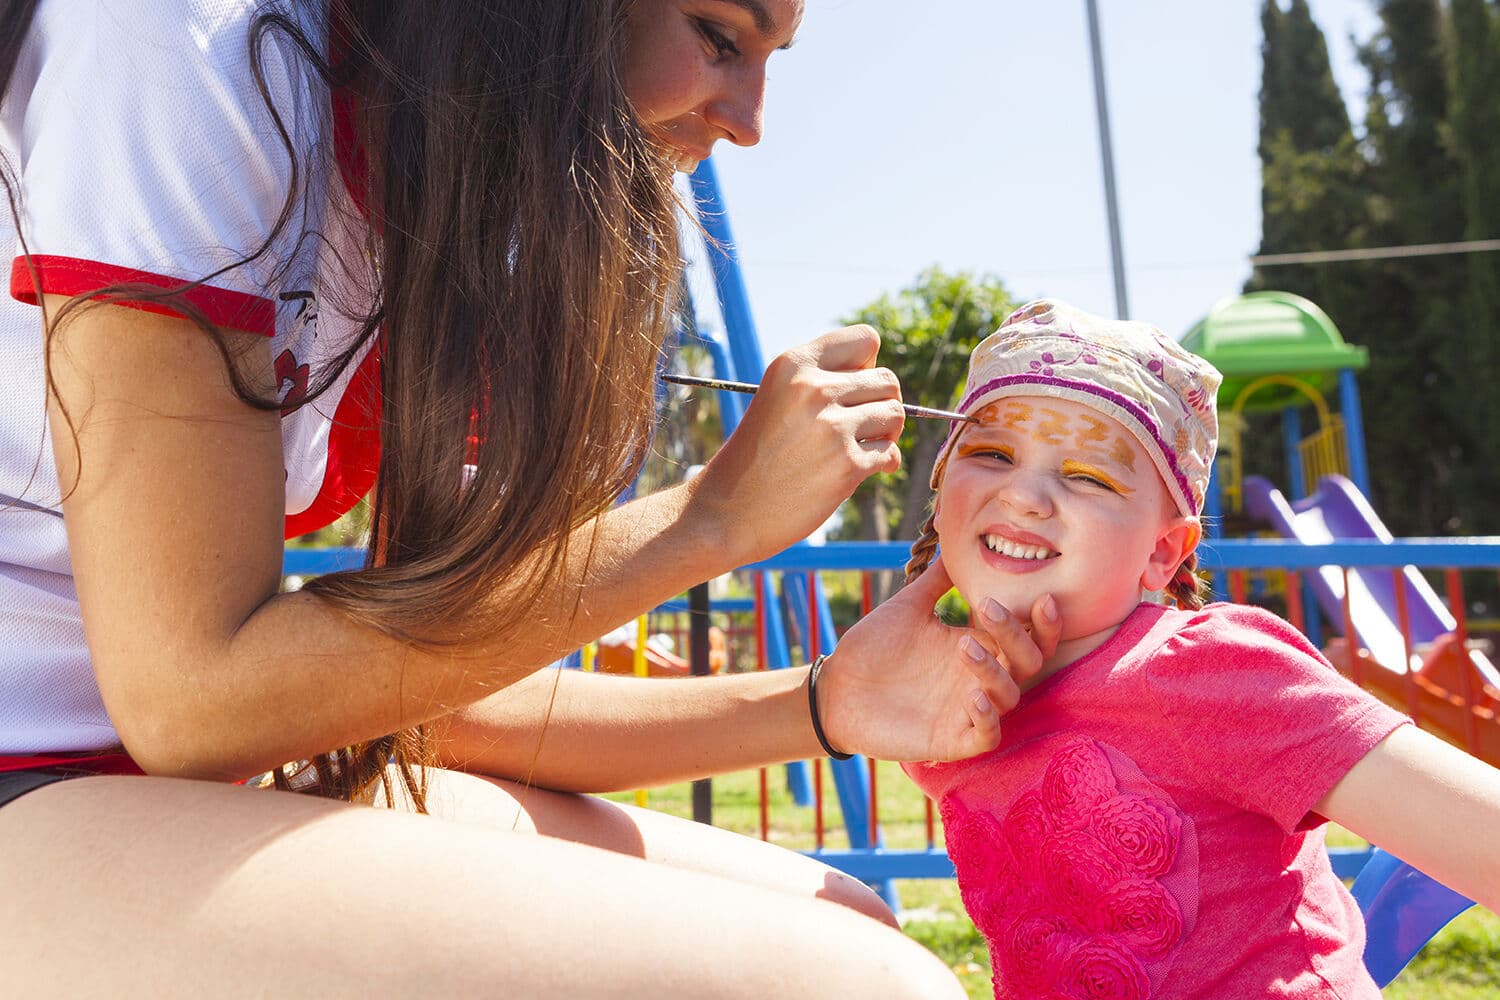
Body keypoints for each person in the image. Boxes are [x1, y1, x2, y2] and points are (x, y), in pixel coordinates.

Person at [0, 2, 1057, 995]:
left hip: (142, 787)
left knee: (854, 918)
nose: (750, 123)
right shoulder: (183, 43)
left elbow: (404, 694)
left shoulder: (410, 161)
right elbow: (195, 696)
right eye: (720, 34)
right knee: (871, 990)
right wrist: (710, 519)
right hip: (48, 776)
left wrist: (830, 701)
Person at [899, 298, 1500, 999]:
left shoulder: (1211, 670)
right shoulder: (935, 703)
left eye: (1088, 475)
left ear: (1162, 552)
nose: (1024, 493)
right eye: (991, 452)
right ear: (941, 491)